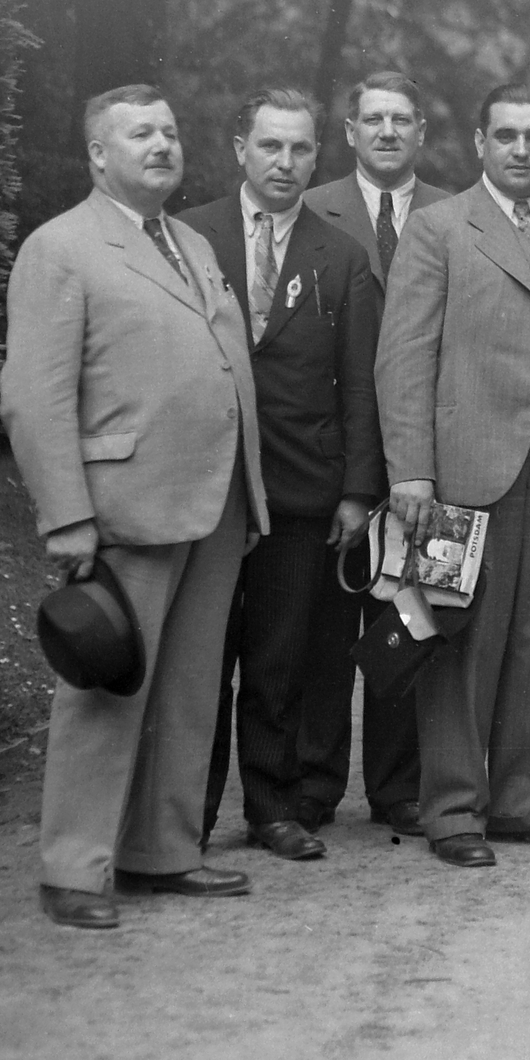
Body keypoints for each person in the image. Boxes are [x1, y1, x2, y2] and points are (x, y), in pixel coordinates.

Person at [0, 84, 269, 928]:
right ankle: (74, 869)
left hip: (215, 496)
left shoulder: (190, 240)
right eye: (139, 133)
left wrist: (250, 488)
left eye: (169, 130)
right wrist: (67, 516)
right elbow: (33, 398)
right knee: (105, 686)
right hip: (123, 504)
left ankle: (162, 849)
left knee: (190, 688)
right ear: (97, 155)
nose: (161, 144)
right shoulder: (61, 248)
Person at [373, 84, 530, 867]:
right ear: (478, 143)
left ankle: (528, 802)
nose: (521, 149)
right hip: (462, 467)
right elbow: (402, 357)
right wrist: (413, 474)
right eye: (506, 135)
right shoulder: (438, 229)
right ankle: (456, 810)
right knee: (460, 640)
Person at [181, 88, 384, 862]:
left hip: (301, 491)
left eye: (301, 149)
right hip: (207, 486)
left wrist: (358, 491)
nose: (286, 163)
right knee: (202, 658)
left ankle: (271, 805)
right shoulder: (189, 236)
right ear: (241, 148)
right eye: (271, 146)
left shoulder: (341, 255)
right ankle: (185, 815)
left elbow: (362, 383)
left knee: (277, 659)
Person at [301, 72, 452, 838]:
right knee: (326, 622)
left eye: (402, 119)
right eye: (373, 120)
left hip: (425, 449)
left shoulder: (459, 216)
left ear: (421, 131)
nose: (388, 132)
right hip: (335, 448)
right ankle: (314, 782)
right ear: (351, 131)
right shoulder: (311, 208)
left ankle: (399, 786)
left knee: (409, 611)